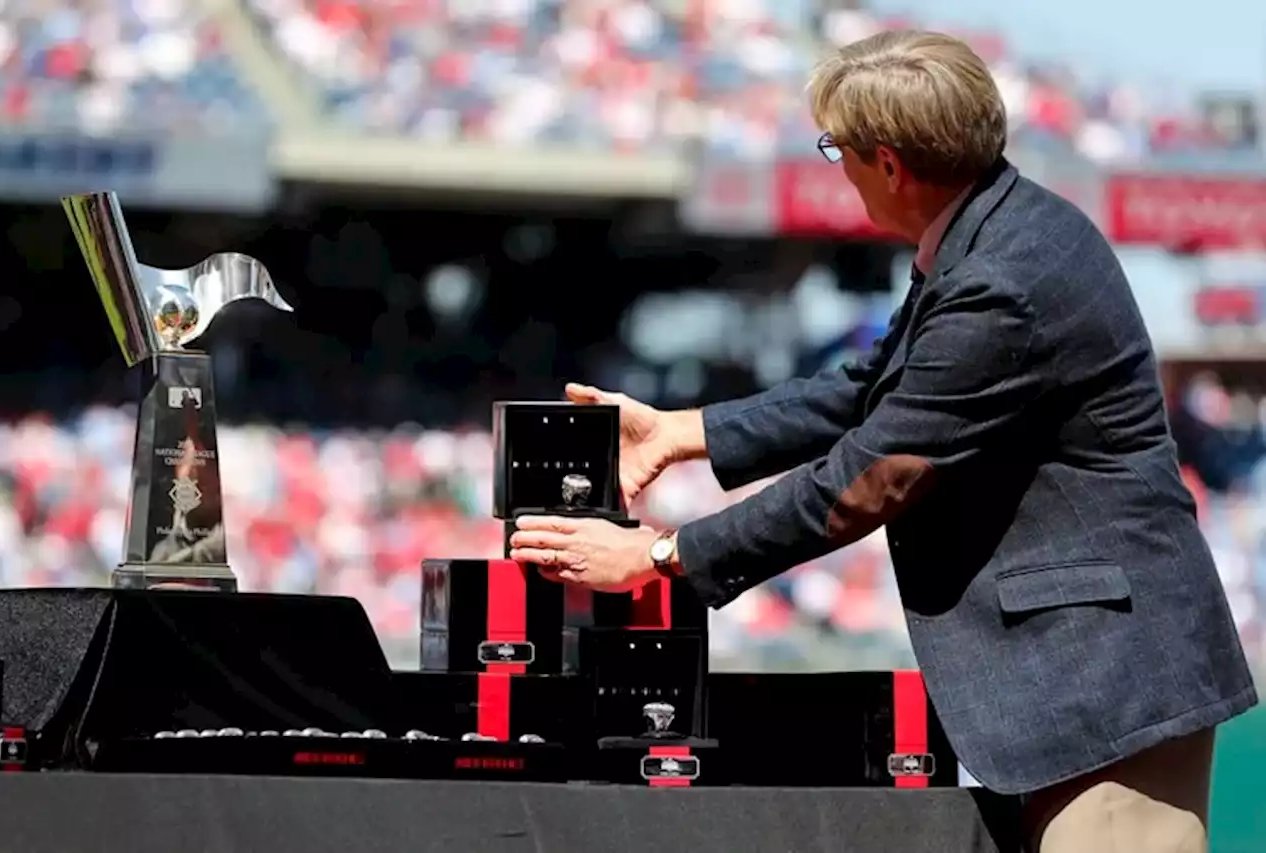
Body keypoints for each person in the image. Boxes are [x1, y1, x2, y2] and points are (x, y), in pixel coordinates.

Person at [509, 29, 1258, 853]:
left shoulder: (999, 278)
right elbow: (871, 385)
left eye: (838, 149)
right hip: (1083, 681)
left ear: (890, 165)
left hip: (1111, 689)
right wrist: (684, 432)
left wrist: (662, 556)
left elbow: (873, 476)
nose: (839, 168)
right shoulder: (992, 228)